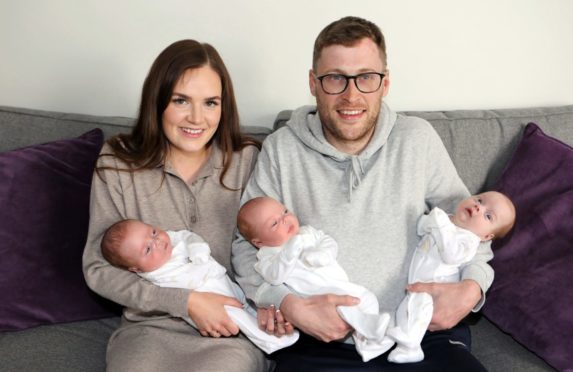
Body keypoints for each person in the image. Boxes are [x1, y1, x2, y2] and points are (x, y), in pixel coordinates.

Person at [232, 16, 494, 371]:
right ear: (313, 83)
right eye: (335, 78)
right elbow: (245, 247)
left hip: (419, 333)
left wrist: (472, 289)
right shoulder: (282, 150)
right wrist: (289, 304)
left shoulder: (417, 139)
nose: (351, 95)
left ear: (385, 84)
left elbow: (473, 226)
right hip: (322, 340)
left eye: (366, 78)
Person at [82, 40, 269, 372]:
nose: (197, 118)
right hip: (149, 329)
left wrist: (275, 305)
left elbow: (271, 249)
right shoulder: (118, 161)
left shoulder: (247, 160)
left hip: (231, 328)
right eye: (181, 100)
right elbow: (99, 270)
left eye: (210, 103)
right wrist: (186, 302)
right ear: (158, 102)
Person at [100, 219, 299, 354]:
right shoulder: (152, 275)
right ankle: (272, 342)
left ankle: (277, 326)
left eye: (152, 232)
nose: (158, 241)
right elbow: (158, 296)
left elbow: (188, 236)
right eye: (148, 249)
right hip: (207, 306)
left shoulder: (173, 238)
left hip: (222, 282)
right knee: (238, 317)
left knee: (250, 306)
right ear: (135, 268)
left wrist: (197, 248)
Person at [237, 196, 392, 362]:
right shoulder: (267, 257)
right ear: (259, 242)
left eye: (285, 211)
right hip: (318, 298)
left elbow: (328, 240)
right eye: (274, 223)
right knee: (343, 311)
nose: (285, 219)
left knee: (367, 298)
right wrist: (288, 253)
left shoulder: (307, 232)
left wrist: (324, 253)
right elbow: (274, 277)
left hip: (340, 284)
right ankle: (369, 327)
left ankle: (368, 344)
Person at [387, 191, 516, 363]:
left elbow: (451, 255)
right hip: (415, 284)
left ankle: (411, 347)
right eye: (479, 199)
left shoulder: (469, 241)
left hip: (435, 293)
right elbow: (421, 226)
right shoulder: (446, 219)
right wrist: (431, 221)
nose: (478, 206)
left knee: (420, 310)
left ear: (486, 237)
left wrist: (440, 223)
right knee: (404, 313)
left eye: (488, 216)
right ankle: (386, 340)